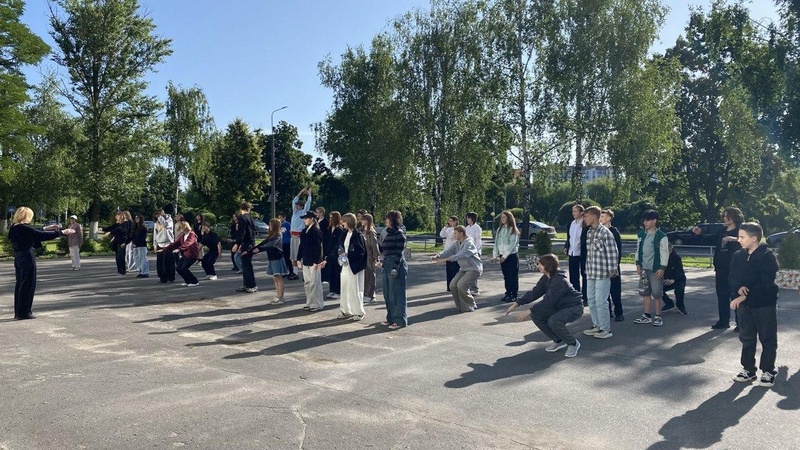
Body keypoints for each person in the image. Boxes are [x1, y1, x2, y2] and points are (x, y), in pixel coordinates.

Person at [728, 222, 780, 387]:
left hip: (764, 304)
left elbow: (765, 282)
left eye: (742, 237)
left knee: (767, 338)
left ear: (754, 238)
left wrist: (743, 297)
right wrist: (738, 288)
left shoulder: (768, 256)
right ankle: (748, 370)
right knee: (747, 337)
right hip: (745, 307)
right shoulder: (738, 255)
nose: (738, 240)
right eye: (738, 236)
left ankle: (768, 371)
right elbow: (732, 276)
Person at [505, 254, 583, 358]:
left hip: (574, 307)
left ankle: (573, 343)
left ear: (548, 266)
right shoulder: (546, 277)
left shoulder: (559, 281)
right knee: (536, 315)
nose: (538, 266)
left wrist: (529, 310)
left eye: (540, 264)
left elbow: (548, 301)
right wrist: (517, 303)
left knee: (553, 320)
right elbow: (535, 292)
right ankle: (558, 340)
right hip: (559, 306)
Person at [8, 207, 74, 319]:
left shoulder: (14, 227)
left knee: (20, 284)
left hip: (18, 257)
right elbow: (39, 235)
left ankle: (19, 312)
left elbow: (32, 232)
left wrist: (46, 228)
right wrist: (62, 232)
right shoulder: (25, 228)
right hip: (27, 256)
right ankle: (24, 313)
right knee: (28, 285)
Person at [693, 207, 744, 330]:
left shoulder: (741, 230)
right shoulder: (722, 230)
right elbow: (710, 239)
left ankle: (741, 323)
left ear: (735, 216)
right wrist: (699, 234)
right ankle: (723, 321)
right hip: (721, 268)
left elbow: (749, 241)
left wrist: (736, 239)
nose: (725, 218)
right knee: (722, 295)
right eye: (724, 216)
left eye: (728, 216)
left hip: (734, 269)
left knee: (736, 295)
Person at [581, 206, 619, 339]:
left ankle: (606, 329)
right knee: (591, 300)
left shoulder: (605, 233)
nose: (584, 219)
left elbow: (612, 252)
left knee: (601, 301)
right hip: (591, 272)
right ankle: (596, 325)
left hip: (602, 273)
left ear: (594, 217)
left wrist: (612, 270)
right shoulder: (589, 232)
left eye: (586, 216)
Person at [432, 225, 482, 313]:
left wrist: (444, 260)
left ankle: (470, 305)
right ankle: (461, 306)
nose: (454, 235)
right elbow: (448, 251)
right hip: (463, 269)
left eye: (455, 233)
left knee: (461, 285)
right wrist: (437, 256)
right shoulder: (456, 243)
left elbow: (460, 255)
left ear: (461, 233)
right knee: (452, 285)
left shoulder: (469, 243)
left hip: (474, 269)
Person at [633, 210, 669, 327]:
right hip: (644, 268)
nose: (645, 223)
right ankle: (646, 315)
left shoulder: (661, 236)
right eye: (644, 220)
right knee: (645, 292)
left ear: (654, 221)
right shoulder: (641, 235)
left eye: (648, 220)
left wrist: (662, 267)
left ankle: (658, 316)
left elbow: (664, 253)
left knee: (657, 293)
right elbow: (638, 250)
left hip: (655, 269)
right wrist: (638, 264)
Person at [246, 219, 289, 304]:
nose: (269, 226)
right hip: (272, 258)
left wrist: (259, 249)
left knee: (278, 278)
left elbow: (270, 245)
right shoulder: (271, 235)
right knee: (275, 278)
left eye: (271, 225)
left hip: (277, 257)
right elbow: (263, 243)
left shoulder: (278, 234)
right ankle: (278, 296)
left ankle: (281, 297)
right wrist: (251, 250)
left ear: (275, 226)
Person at [377, 211, 408, 328]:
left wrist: (395, 267)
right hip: (387, 262)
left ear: (393, 220)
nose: (386, 221)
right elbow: (384, 250)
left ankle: (399, 320)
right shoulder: (389, 233)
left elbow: (399, 252)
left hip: (396, 263)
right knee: (387, 293)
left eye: (388, 218)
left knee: (396, 293)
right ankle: (390, 317)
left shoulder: (399, 234)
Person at [336, 213, 367, 321]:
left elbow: (361, 251)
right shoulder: (344, 234)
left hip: (354, 265)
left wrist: (348, 254)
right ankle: (346, 310)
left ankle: (358, 312)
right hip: (345, 264)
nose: (342, 223)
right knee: (344, 287)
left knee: (354, 288)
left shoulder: (358, 235)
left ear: (349, 222)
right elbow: (340, 246)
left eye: (344, 221)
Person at [296, 210, 325, 311]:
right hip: (306, 260)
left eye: (306, 218)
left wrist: (317, 261)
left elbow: (318, 248)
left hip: (314, 261)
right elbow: (301, 246)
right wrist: (298, 258)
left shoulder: (316, 231)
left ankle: (317, 304)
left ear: (312, 219)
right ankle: (309, 302)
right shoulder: (304, 231)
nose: (304, 220)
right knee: (307, 283)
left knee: (315, 283)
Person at [158, 221, 200, 287]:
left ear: (186, 227)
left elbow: (188, 243)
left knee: (184, 268)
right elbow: (175, 244)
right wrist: (165, 249)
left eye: (181, 227)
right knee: (178, 268)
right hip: (185, 255)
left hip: (192, 255)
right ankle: (187, 281)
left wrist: (179, 249)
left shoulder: (192, 234)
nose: (180, 229)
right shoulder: (183, 236)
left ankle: (194, 281)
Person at [600, 209, 623, 321]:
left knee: (615, 291)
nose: (600, 219)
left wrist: (615, 265)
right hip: (602, 266)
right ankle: (607, 312)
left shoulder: (614, 232)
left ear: (609, 218)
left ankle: (619, 313)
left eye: (603, 216)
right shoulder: (599, 231)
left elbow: (618, 250)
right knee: (604, 292)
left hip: (612, 266)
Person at [493, 210, 521, 303]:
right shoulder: (499, 229)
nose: (502, 219)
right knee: (506, 276)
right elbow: (496, 243)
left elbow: (512, 244)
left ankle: (514, 295)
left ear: (509, 218)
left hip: (511, 256)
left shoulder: (513, 230)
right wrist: (495, 255)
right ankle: (508, 293)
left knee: (513, 276)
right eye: (501, 217)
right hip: (502, 256)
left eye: (504, 217)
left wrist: (504, 256)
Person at [564, 204, 588, 305]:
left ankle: (585, 297)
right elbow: (569, 237)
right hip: (572, 252)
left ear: (581, 212)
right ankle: (575, 296)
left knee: (584, 274)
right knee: (573, 275)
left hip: (582, 253)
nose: (573, 213)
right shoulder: (571, 224)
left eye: (576, 211)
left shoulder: (585, 224)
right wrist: (566, 246)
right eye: (573, 211)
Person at [233, 202, 257, 293]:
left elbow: (241, 232)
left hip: (246, 243)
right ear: (248, 209)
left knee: (247, 265)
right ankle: (246, 284)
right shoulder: (251, 218)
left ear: (241, 209)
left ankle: (252, 285)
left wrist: (237, 244)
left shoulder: (242, 218)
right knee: (245, 264)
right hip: (251, 242)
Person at [360, 213, 380, 304]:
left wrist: (376, 257)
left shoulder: (371, 232)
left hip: (370, 256)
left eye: (364, 219)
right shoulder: (362, 231)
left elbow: (374, 245)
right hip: (364, 255)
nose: (362, 221)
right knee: (365, 276)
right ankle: (366, 293)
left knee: (370, 276)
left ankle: (370, 295)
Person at [662, 243, 687, 315]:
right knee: (657, 290)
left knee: (679, 289)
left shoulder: (676, 258)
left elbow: (680, 271)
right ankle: (669, 303)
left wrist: (673, 279)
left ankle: (680, 306)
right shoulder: (661, 257)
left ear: (671, 249)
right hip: (666, 279)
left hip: (678, 279)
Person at [290, 187, 313, 263]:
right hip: (293, 235)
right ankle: (295, 270)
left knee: (299, 255)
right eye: (296, 206)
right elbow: (294, 200)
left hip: (299, 235)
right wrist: (301, 191)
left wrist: (309, 194)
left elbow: (308, 203)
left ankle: (301, 268)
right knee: (293, 256)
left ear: (301, 207)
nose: (297, 207)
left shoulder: (303, 212)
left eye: (298, 206)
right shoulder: (294, 212)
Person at [325, 211, 344, 299]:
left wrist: (334, 252)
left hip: (336, 254)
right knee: (331, 272)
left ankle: (338, 291)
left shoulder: (339, 229)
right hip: (329, 253)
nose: (330, 219)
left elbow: (339, 243)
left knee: (337, 272)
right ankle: (332, 290)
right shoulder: (329, 229)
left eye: (332, 217)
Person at [153, 209, 175, 283]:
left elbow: (165, 225)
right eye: (157, 216)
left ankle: (171, 276)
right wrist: (155, 244)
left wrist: (161, 217)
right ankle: (162, 277)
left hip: (168, 243)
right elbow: (155, 234)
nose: (158, 217)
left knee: (169, 261)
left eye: (158, 215)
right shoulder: (156, 223)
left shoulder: (169, 220)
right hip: (160, 243)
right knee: (160, 262)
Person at [439, 216, 460, 292]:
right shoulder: (448, 229)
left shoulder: (458, 229)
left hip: (455, 251)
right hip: (448, 251)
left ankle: (454, 286)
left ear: (455, 221)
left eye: (451, 221)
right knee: (449, 270)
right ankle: (449, 286)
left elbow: (454, 237)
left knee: (455, 269)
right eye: (449, 221)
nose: (450, 222)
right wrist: (445, 227)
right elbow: (441, 234)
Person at [464, 212, 483, 294]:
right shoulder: (467, 228)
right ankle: (468, 287)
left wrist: (477, 251)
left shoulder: (477, 228)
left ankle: (474, 288)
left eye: (468, 218)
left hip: (474, 251)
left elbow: (478, 241)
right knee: (468, 269)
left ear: (473, 218)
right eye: (467, 218)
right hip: (467, 251)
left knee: (474, 269)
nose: (467, 219)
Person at [278, 213, 297, 280]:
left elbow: (290, 233)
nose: (280, 219)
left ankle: (291, 271)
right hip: (281, 243)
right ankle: (285, 271)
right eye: (279, 217)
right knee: (282, 258)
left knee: (287, 258)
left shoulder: (287, 224)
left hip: (287, 243)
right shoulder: (279, 225)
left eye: (281, 217)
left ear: (284, 217)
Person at [130, 213, 150, 278]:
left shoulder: (143, 227)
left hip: (141, 245)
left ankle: (145, 272)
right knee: (136, 259)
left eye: (138, 218)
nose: (136, 219)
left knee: (143, 259)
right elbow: (132, 236)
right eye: (135, 218)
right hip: (135, 245)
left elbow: (142, 237)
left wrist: (136, 243)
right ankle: (140, 271)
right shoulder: (135, 227)